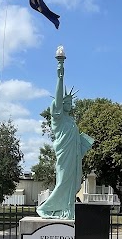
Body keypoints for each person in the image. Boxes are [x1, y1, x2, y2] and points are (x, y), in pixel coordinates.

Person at [36, 46, 93, 220]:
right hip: (64, 155)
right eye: (66, 102)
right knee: (63, 181)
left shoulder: (71, 121)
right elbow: (58, 98)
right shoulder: (58, 118)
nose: (69, 104)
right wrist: (60, 75)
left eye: (70, 102)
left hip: (73, 156)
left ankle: (67, 209)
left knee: (72, 182)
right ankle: (47, 208)